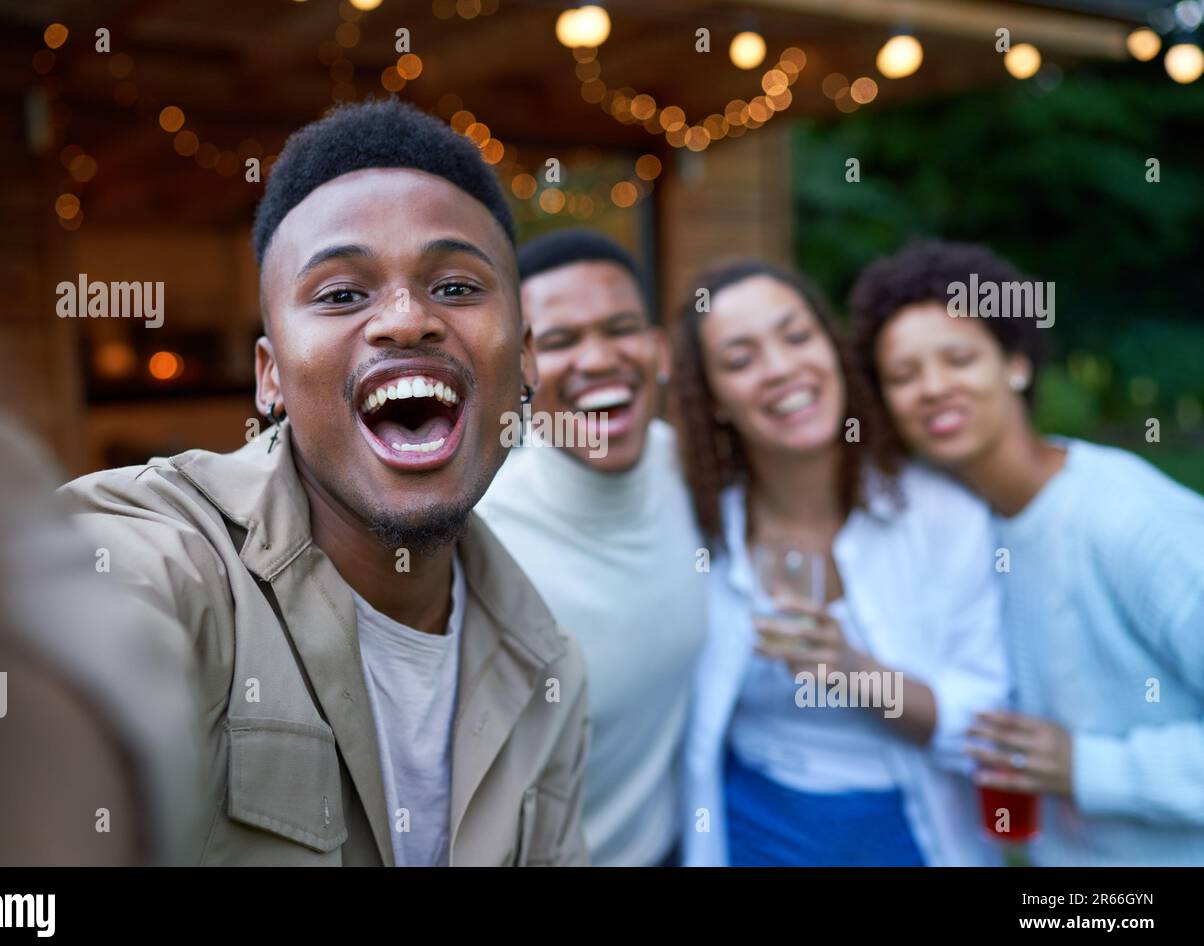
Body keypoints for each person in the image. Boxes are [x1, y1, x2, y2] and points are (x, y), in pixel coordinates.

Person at [58, 98, 590, 866]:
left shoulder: (552, 671)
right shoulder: (177, 562)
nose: (406, 320)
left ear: (527, 362)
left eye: (457, 287)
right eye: (342, 294)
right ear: (270, 376)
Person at [848, 238, 1204, 865]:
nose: (932, 388)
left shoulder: (1130, 520)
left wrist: (1094, 767)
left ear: (1016, 363)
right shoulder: (961, 530)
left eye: (958, 358)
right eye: (903, 375)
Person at [676, 260, 1007, 867]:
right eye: (741, 359)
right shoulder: (702, 527)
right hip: (754, 831)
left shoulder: (941, 515)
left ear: (833, 350)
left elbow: (984, 721)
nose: (780, 369)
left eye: (797, 336)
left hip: (905, 832)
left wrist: (852, 670)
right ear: (714, 399)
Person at [476, 229, 705, 866]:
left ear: (658, 350)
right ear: (520, 369)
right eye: (559, 341)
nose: (599, 359)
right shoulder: (475, 527)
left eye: (620, 328)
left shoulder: (692, 471)